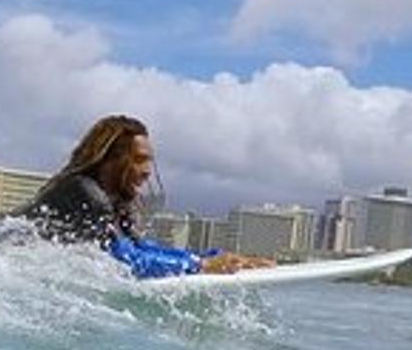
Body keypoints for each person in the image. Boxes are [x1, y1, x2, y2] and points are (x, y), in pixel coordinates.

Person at [13, 114, 266, 278]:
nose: (147, 171)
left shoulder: (113, 203)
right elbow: (126, 262)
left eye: (149, 162)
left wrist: (211, 257)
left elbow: (139, 248)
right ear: (110, 161)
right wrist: (201, 268)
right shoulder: (85, 193)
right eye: (139, 160)